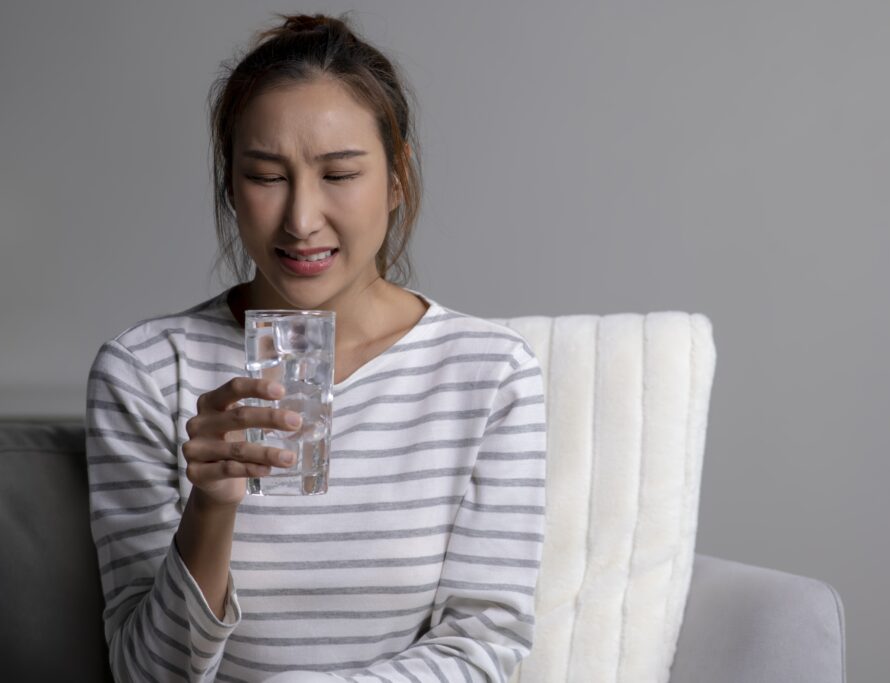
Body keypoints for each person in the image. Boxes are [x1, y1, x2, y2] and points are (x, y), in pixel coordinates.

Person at [85, 13, 546, 682]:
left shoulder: (491, 374)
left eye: (338, 174)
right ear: (231, 186)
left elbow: (483, 648)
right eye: (267, 176)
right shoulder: (148, 371)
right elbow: (145, 673)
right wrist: (211, 505)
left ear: (396, 179)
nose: (301, 220)